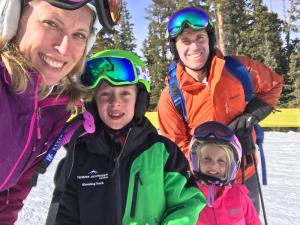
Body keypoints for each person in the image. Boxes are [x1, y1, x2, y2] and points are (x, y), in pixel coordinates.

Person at [51, 49, 206, 225]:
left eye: (125, 93)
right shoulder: (78, 157)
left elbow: (187, 204)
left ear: (139, 100)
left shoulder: (164, 153)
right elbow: (66, 216)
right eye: (105, 94)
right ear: (92, 102)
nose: (115, 102)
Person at [0, 0, 121, 224]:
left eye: (79, 35)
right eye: (51, 23)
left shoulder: (55, 107)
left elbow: (10, 194)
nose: (64, 49)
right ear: (14, 18)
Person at [157, 6, 283, 213]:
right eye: (185, 41)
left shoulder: (238, 69)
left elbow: (274, 84)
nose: (194, 47)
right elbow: (177, 147)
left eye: (200, 38)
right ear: (176, 48)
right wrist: (213, 158)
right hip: (202, 185)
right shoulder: (171, 96)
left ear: (210, 40)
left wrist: (251, 116)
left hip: (245, 174)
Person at [189, 121, 261, 225]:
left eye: (221, 161)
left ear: (231, 165)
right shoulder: (188, 196)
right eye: (207, 159)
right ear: (196, 160)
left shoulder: (239, 196)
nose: (213, 166)